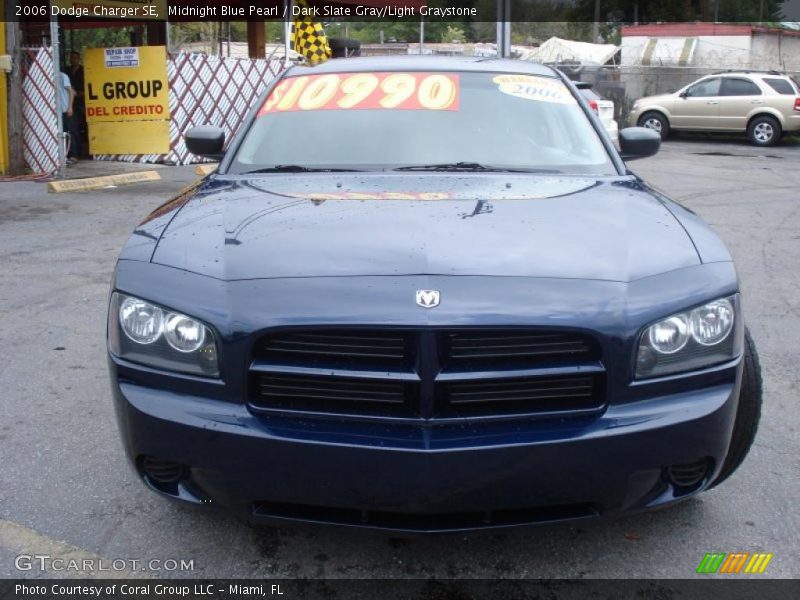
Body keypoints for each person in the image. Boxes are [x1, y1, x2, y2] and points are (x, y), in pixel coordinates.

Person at [66, 51, 86, 157]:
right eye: (71, 58)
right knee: (73, 128)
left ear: (79, 59)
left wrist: (78, 93)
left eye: (75, 58)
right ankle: (75, 151)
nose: (73, 60)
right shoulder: (67, 71)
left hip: (81, 102)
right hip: (71, 103)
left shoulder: (83, 71)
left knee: (83, 126)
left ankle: (83, 150)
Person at [58, 70, 80, 164]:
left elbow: (71, 92)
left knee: (70, 132)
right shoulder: (49, 76)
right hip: (57, 111)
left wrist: (70, 107)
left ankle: (74, 155)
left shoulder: (63, 76)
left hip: (66, 109)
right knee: (62, 133)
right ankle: (65, 155)